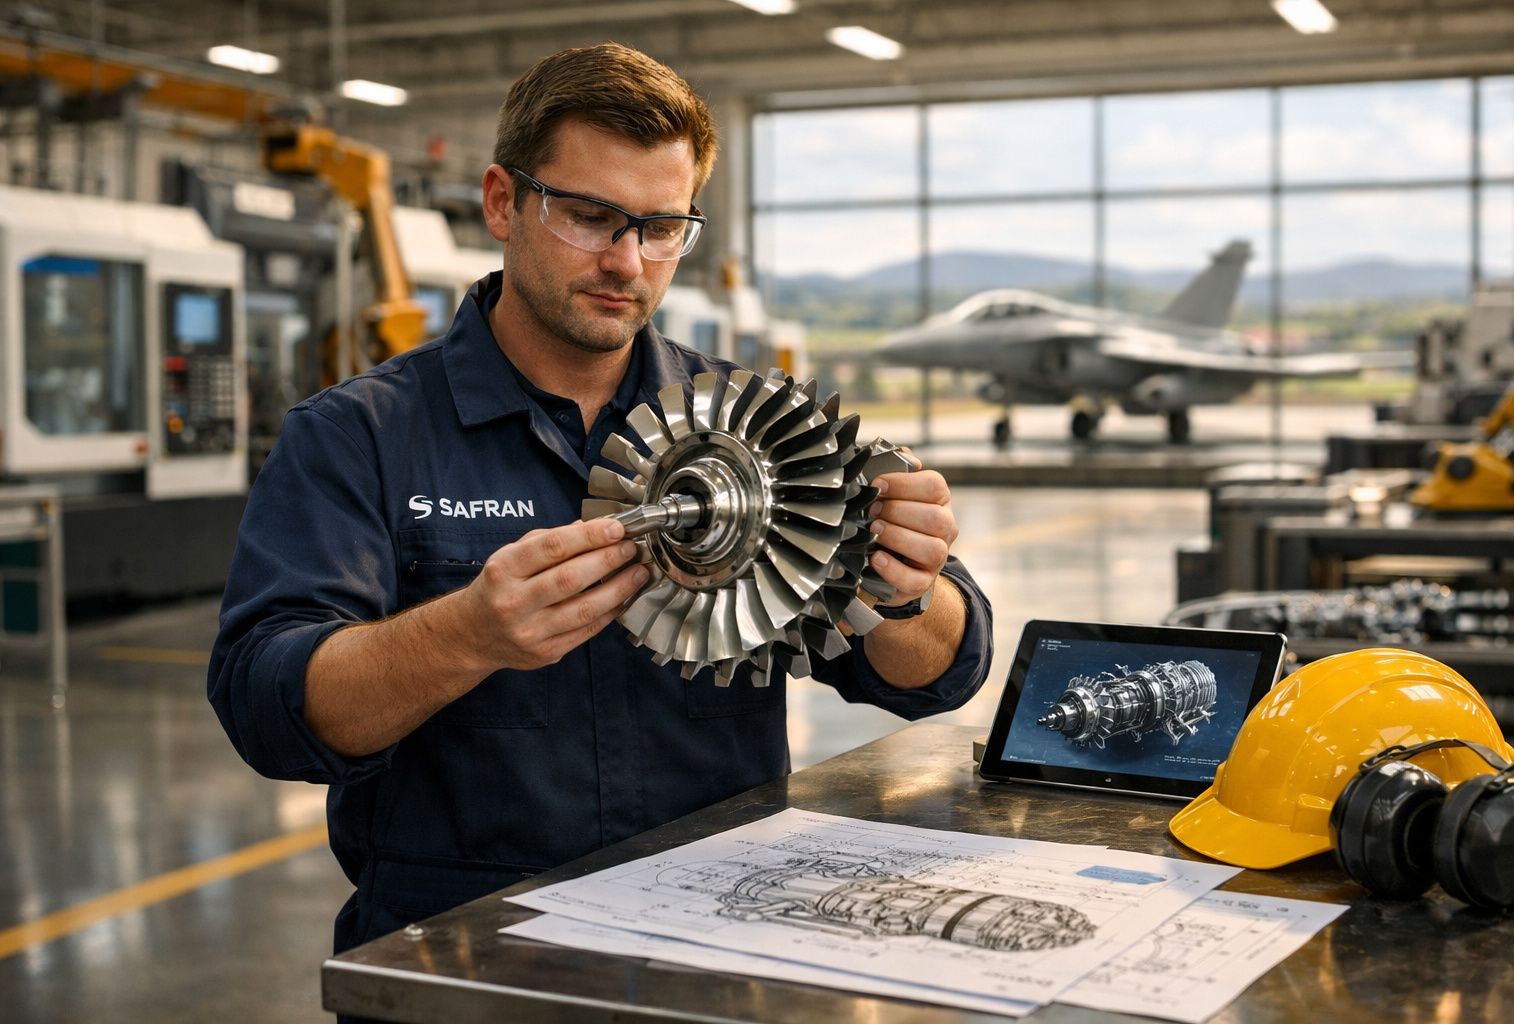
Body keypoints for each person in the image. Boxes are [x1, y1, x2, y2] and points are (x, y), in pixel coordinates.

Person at [208, 42, 994, 960]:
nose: (628, 261)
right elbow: (270, 707)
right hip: (463, 959)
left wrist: (903, 583)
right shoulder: (359, 437)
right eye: (590, 216)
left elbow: (941, 671)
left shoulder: (755, 428)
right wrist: (466, 635)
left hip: (720, 948)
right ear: (503, 203)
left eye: (662, 228)